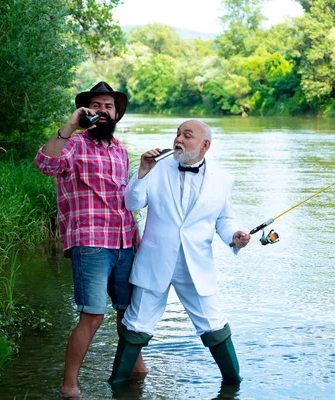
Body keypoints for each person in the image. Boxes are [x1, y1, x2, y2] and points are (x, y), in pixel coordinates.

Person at [108, 119, 251, 387]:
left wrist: (234, 237)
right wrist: (141, 172)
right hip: (154, 260)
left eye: (188, 135)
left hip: (196, 265)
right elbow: (132, 202)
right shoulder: (156, 168)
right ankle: (116, 385)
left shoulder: (223, 179)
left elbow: (224, 220)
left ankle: (234, 384)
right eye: (177, 134)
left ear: (205, 145)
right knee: (137, 323)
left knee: (213, 322)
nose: (179, 140)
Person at [34, 81, 145, 398]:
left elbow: (124, 199)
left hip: (124, 243)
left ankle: (138, 372)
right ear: (87, 111)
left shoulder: (121, 149)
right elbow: (45, 164)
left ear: (116, 114)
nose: (103, 111)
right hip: (92, 243)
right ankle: (69, 387)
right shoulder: (74, 143)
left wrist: (135, 236)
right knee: (93, 315)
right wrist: (70, 125)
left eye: (109, 106)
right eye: (97, 105)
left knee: (128, 314)